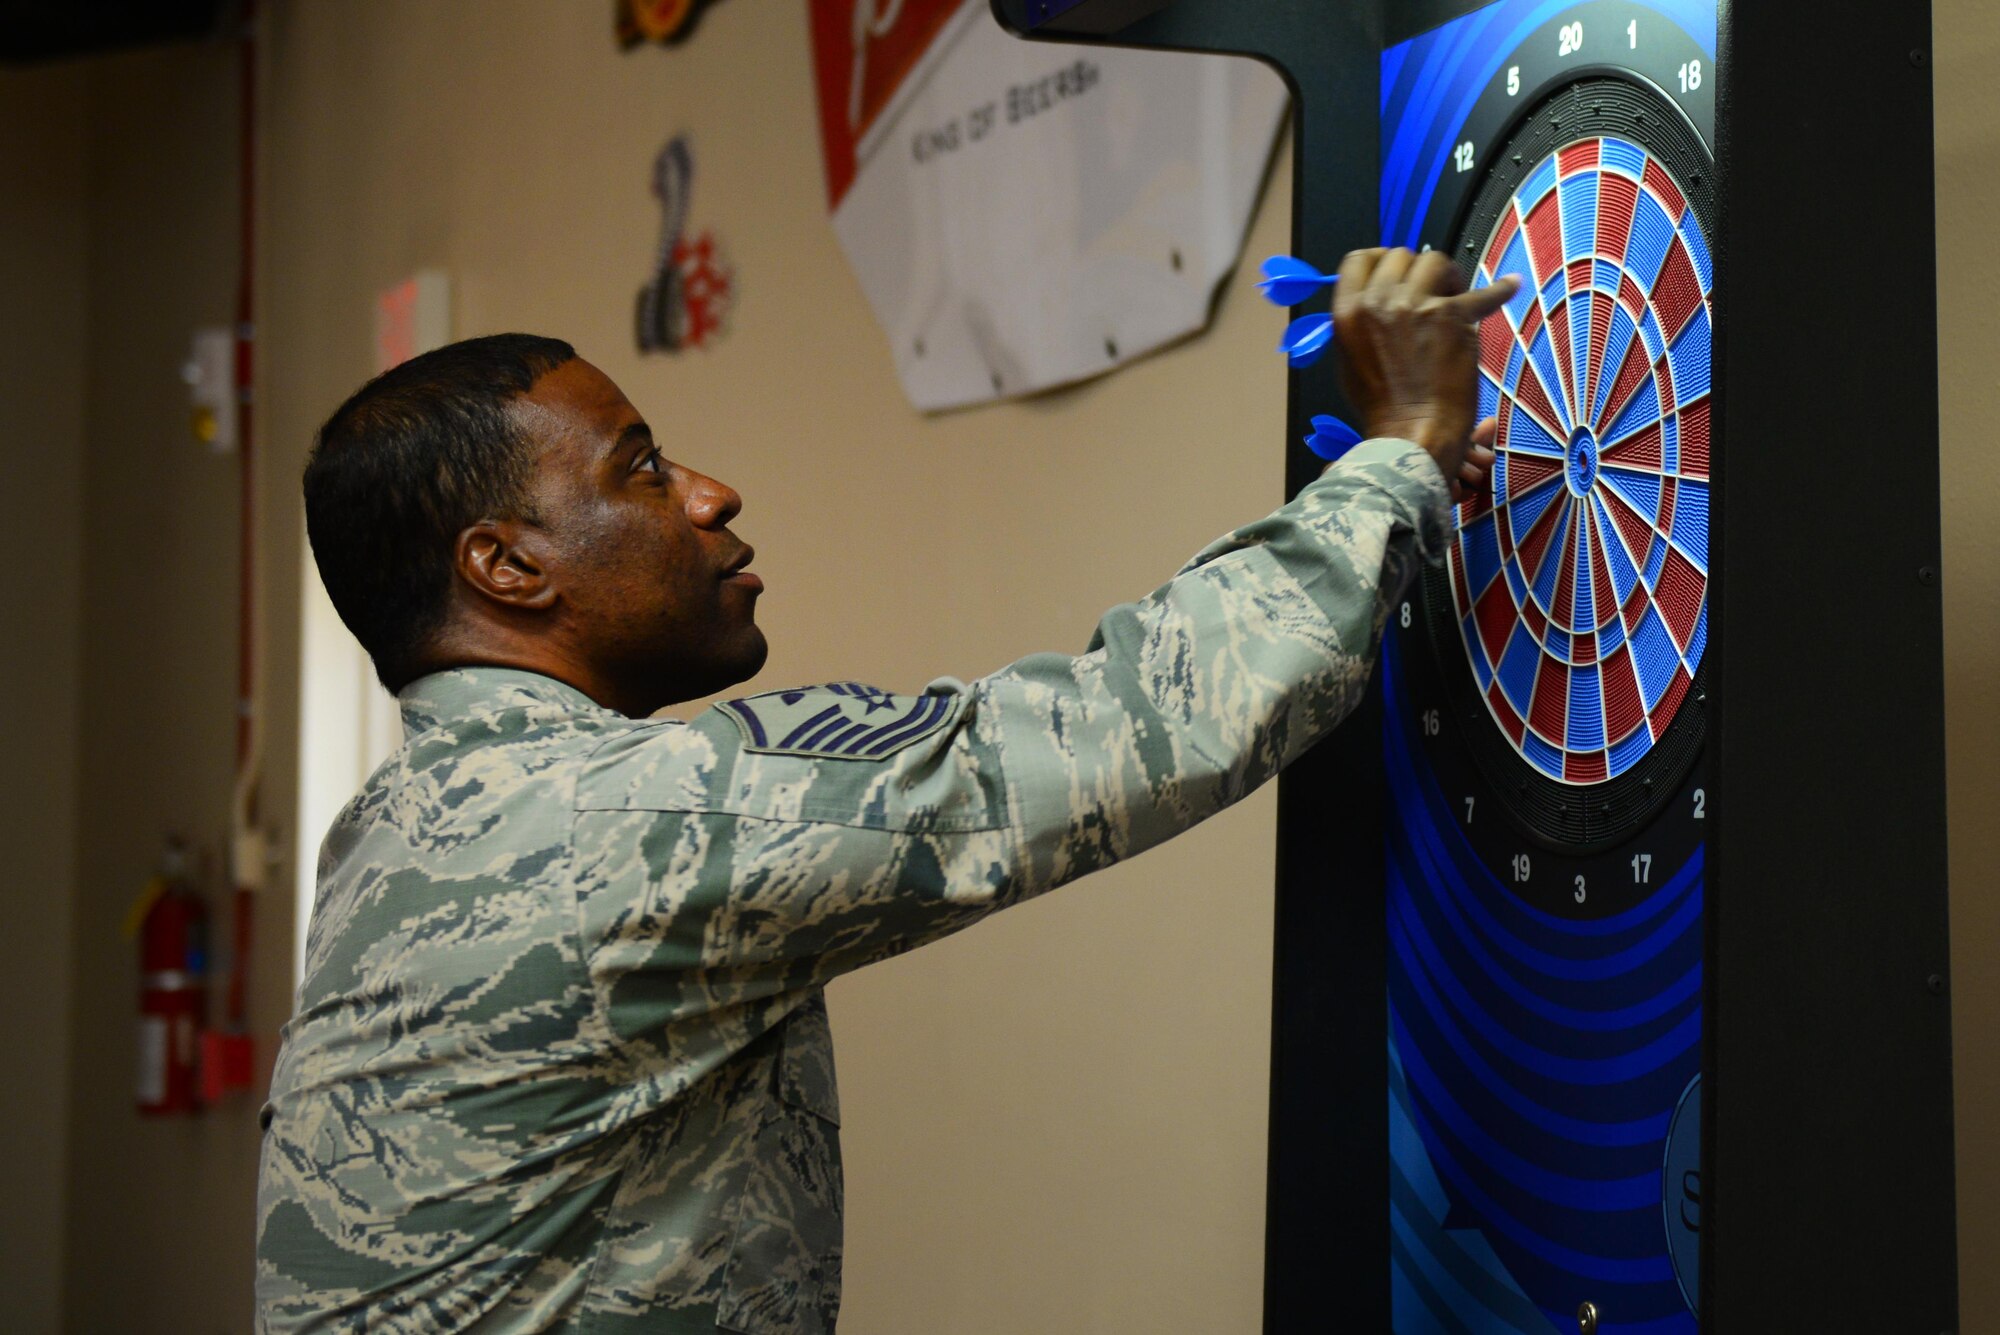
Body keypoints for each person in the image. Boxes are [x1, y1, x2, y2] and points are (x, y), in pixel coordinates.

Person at [255, 249, 1519, 1334]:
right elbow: (1143, 720)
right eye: (640, 469)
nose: (709, 493)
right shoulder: (631, 820)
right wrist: (1400, 449)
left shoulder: (392, 825)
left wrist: (1379, 513)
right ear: (508, 567)